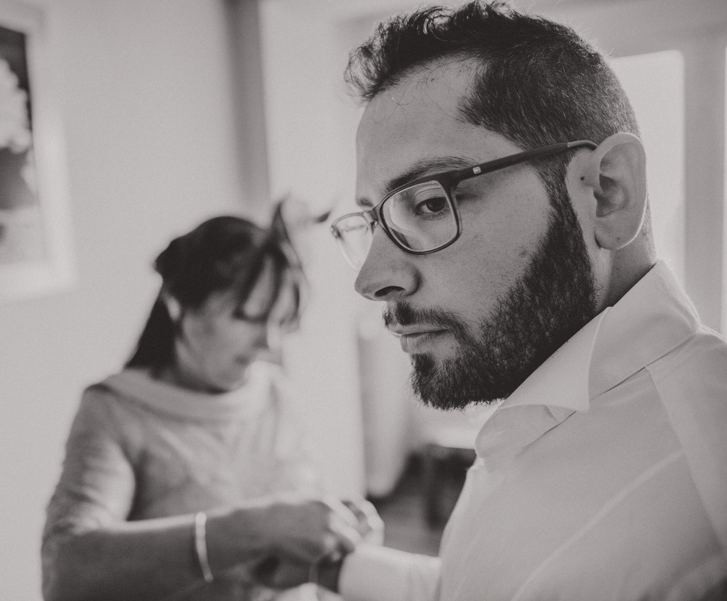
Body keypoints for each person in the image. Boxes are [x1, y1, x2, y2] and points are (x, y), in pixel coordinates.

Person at [261, 2, 727, 600]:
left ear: (609, 193)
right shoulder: (537, 401)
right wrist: (330, 570)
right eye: (374, 221)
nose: (372, 279)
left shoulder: (707, 507)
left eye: (430, 202)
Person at [41, 205, 381, 601]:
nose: (270, 345)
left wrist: (331, 546)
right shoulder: (115, 413)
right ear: (178, 303)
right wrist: (252, 529)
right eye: (248, 317)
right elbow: (65, 575)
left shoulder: (274, 393)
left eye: (282, 321)